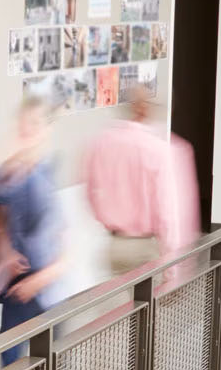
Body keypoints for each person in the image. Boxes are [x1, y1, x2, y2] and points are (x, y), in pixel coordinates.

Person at [85, 85, 200, 276]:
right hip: (147, 248)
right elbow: (166, 209)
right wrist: (172, 266)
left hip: (115, 244)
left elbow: (90, 192)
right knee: (149, 304)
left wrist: (107, 220)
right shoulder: (157, 149)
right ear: (144, 109)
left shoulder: (101, 143)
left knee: (118, 305)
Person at [0, 96, 70, 366]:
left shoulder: (48, 175)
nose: (28, 129)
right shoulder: (9, 174)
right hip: (16, 289)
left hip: (45, 295)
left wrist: (40, 280)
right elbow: (0, 223)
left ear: (47, 129)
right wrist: (5, 255)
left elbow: (65, 250)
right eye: (24, 123)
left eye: (35, 123)